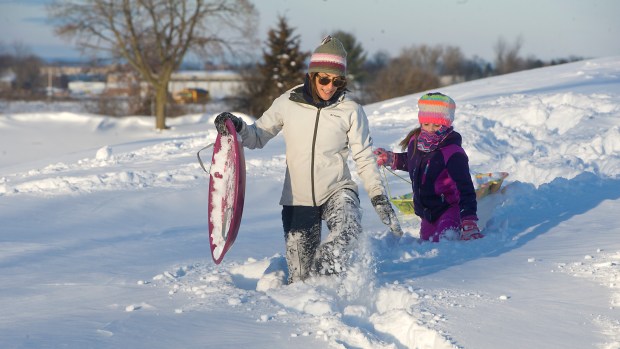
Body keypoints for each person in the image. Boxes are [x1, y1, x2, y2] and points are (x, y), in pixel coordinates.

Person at [214, 35, 402, 283]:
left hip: (337, 189)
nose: (330, 87)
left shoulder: (351, 110)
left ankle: (329, 280)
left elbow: (364, 157)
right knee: (301, 280)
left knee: (348, 230)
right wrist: (237, 126)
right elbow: (257, 137)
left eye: (338, 81)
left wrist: (378, 196)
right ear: (312, 75)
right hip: (297, 198)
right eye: (324, 79)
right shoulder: (287, 102)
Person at [373, 92, 483, 242]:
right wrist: (393, 159)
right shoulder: (416, 141)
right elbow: (414, 163)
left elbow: (466, 188)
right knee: (427, 243)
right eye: (426, 124)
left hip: (449, 208)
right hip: (427, 213)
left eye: (436, 125)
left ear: (446, 123)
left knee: (444, 243)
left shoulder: (452, 152)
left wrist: (469, 220)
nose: (430, 129)